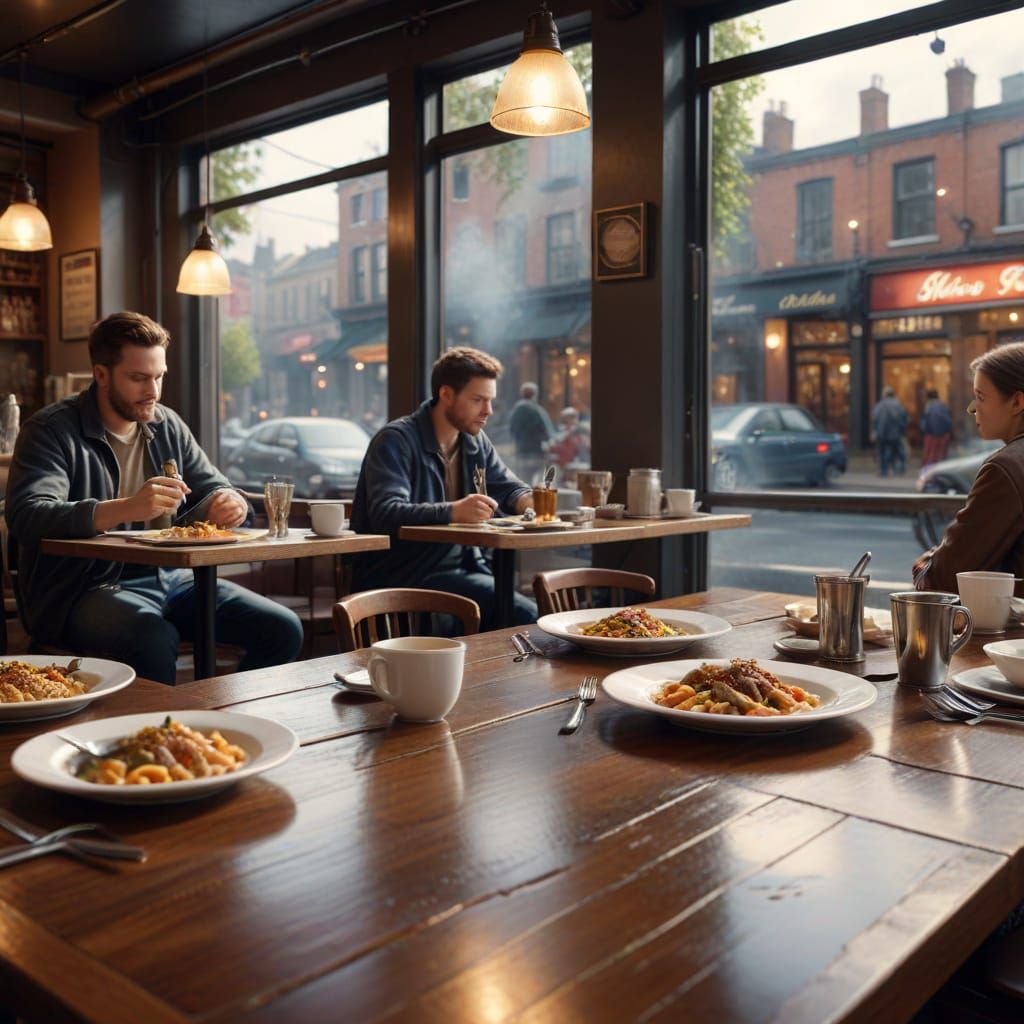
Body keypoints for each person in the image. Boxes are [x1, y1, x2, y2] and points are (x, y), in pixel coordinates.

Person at [4, 311, 304, 685]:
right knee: (152, 638)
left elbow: (213, 483)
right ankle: (147, 737)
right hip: (80, 590)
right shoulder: (50, 431)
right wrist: (129, 508)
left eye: (159, 376)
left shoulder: (165, 423)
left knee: (282, 628)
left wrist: (230, 500)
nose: (154, 391)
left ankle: (220, 723)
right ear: (101, 375)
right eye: (138, 378)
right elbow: (28, 515)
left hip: (169, 579)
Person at [350, 346, 536, 629]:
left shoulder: (474, 440)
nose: (488, 411)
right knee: (525, 616)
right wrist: (453, 512)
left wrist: (528, 502)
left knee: (518, 612)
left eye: (490, 400)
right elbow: (386, 512)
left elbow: (508, 486)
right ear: (446, 395)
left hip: (463, 567)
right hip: (406, 573)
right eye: (478, 400)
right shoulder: (396, 440)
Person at [914, 343, 1024, 593]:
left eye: (981, 397)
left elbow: (944, 577)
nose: (972, 408)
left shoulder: (1005, 469)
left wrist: (924, 565)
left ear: (1017, 402)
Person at [507, 382, 554, 482]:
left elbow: (512, 429)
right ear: (535, 394)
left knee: (523, 479)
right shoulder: (536, 410)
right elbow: (547, 432)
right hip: (536, 452)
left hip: (522, 451)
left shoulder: (516, 410)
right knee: (538, 480)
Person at [545, 406, 590, 482]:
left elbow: (582, 449)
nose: (564, 424)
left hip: (579, 467)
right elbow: (553, 447)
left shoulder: (582, 432)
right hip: (563, 469)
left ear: (574, 420)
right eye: (563, 421)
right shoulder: (562, 434)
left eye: (566, 421)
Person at [871, 386, 908, 476]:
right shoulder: (898, 405)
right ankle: (899, 469)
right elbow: (905, 418)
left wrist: (875, 431)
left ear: (885, 394)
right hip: (896, 433)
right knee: (898, 451)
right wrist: (901, 429)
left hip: (883, 432)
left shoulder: (880, 405)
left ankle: (884, 471)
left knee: (883, 452)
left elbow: (875, 418)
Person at [920, 388, 953, 466]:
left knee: (929, 455)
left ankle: (928, 472)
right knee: (941, 455)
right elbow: (948, 420)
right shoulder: (943, 405)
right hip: (943, 434)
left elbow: (924, 421)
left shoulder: (929, 406)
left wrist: (923, 432)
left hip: (931, 434)